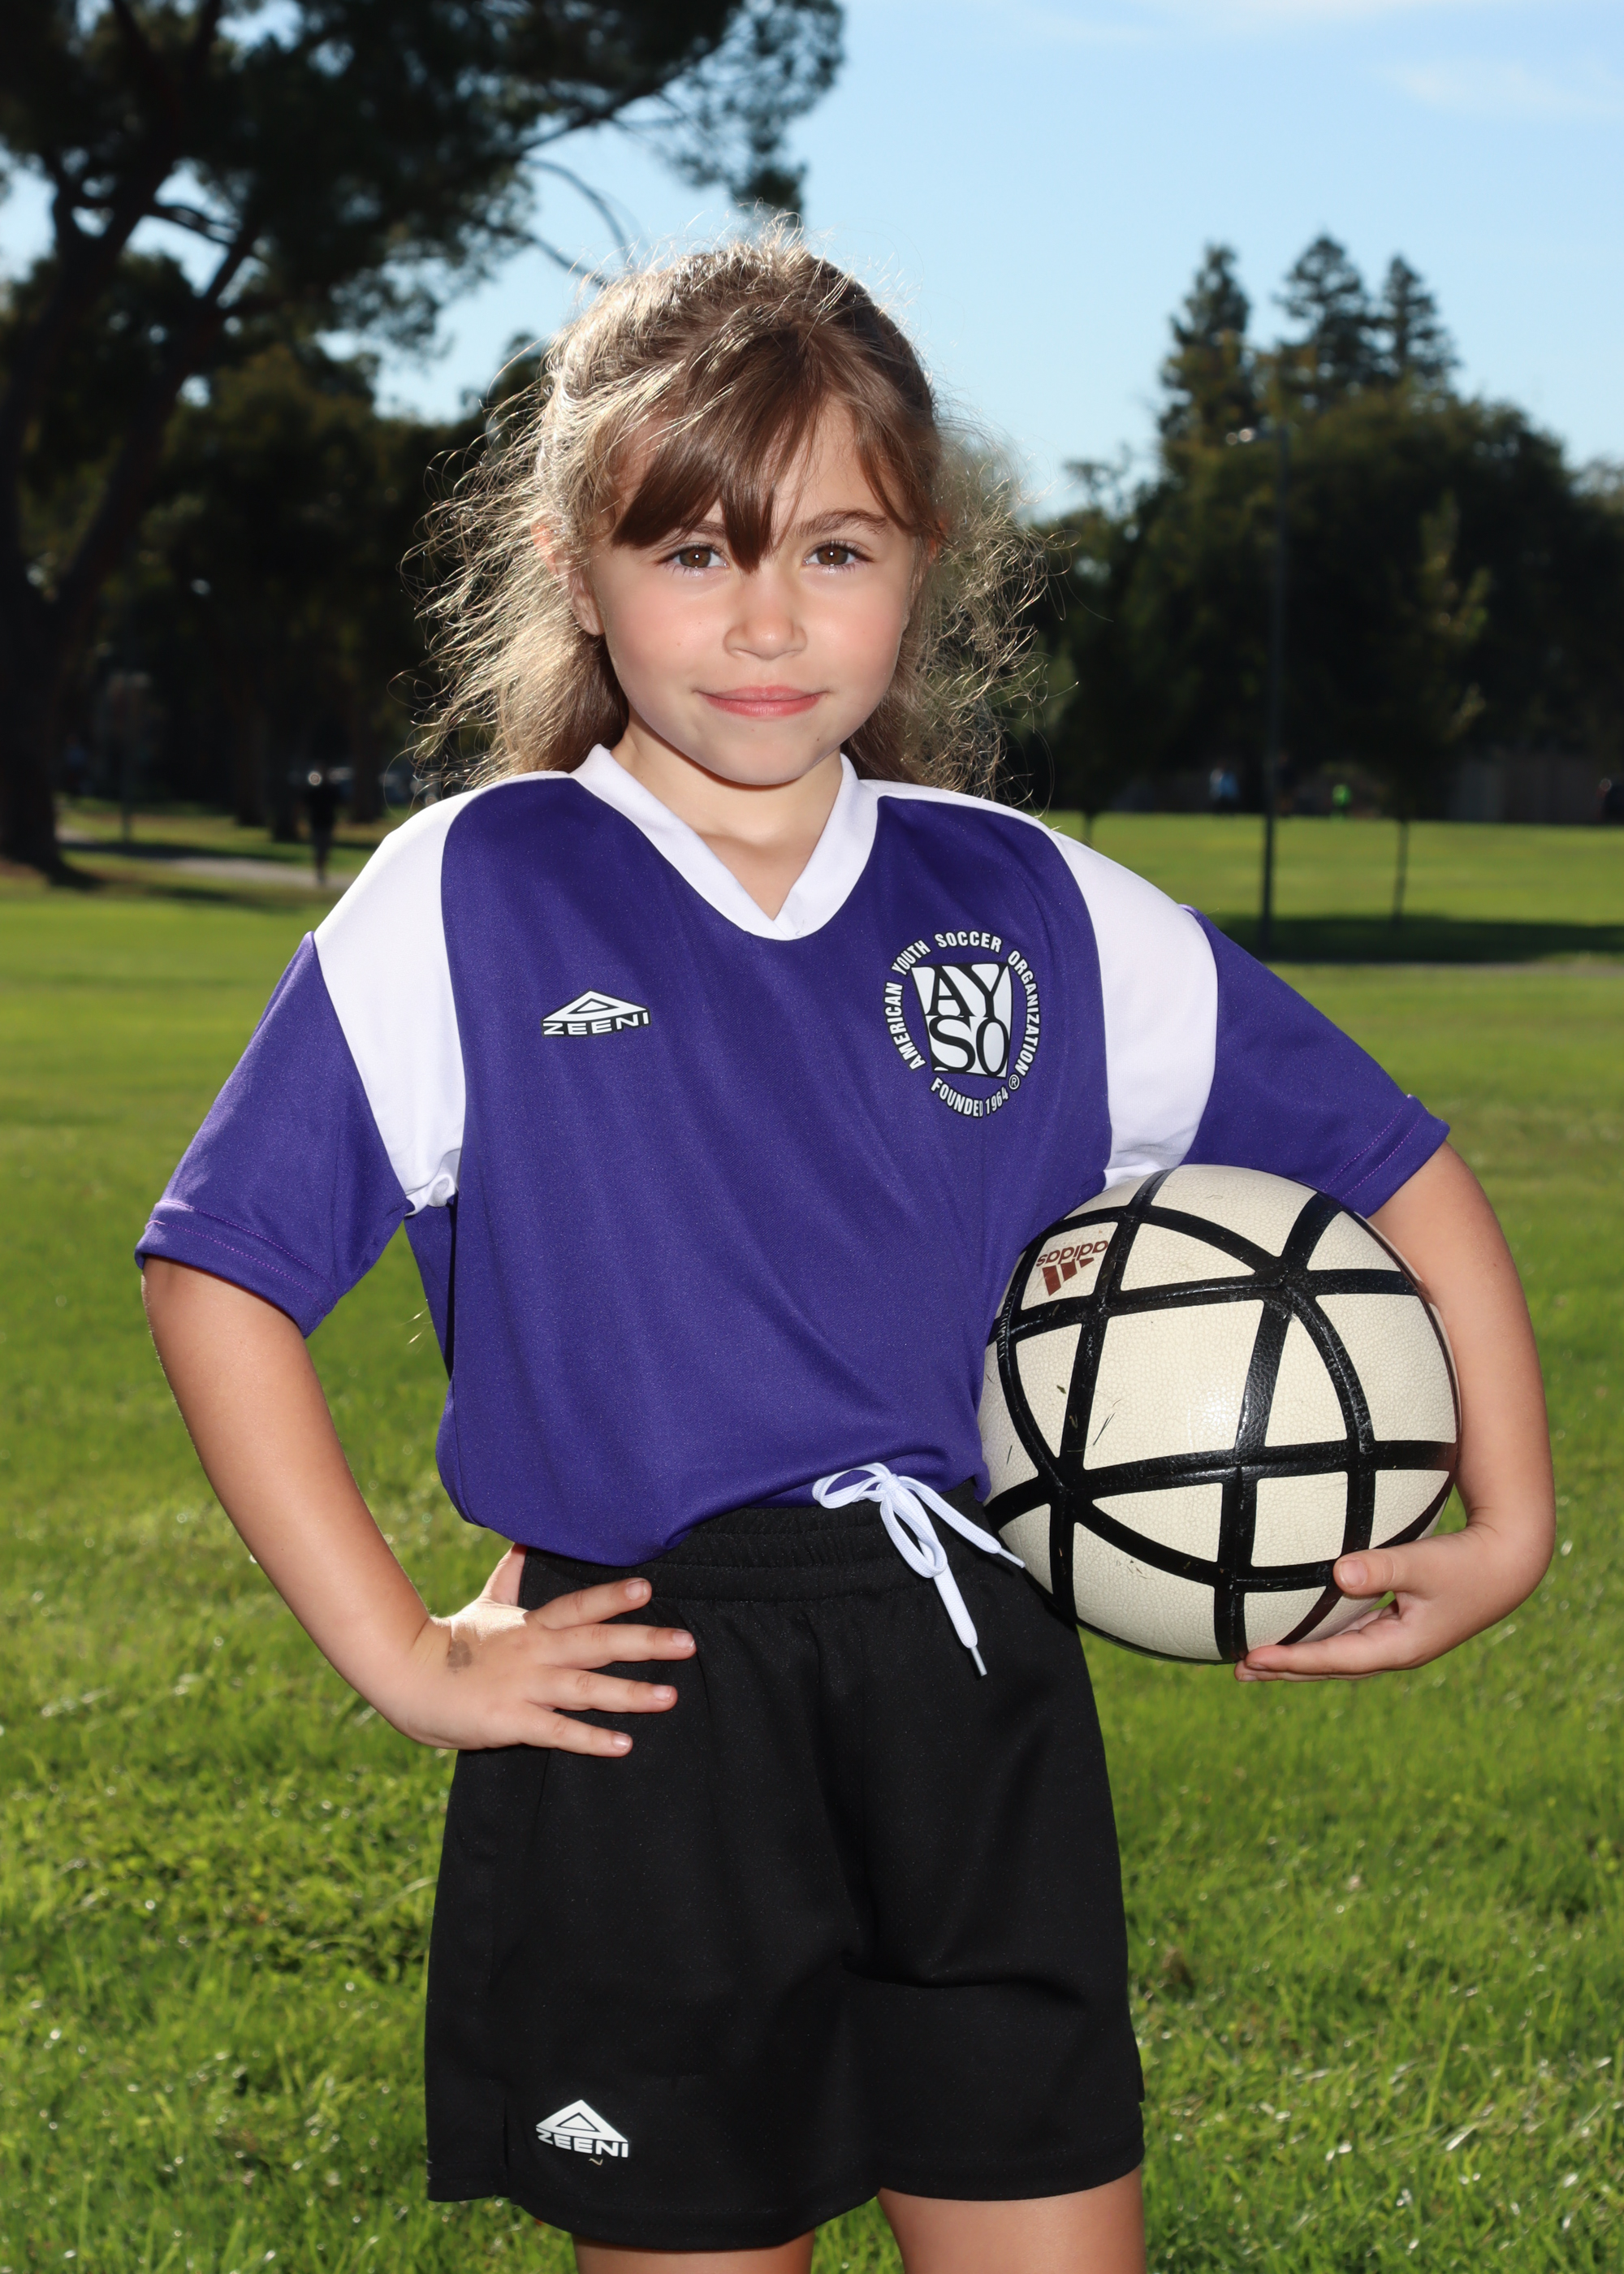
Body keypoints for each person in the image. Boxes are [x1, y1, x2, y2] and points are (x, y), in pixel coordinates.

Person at [137, 240, 1553, 2274]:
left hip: (975, 1676)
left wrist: (1507, 1512)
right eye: (691, 552)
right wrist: (399, 1649)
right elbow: (222, 1266)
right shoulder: (478, 891)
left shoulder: (1030, 904)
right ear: (572, 564)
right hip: (645, 1699)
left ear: (921, 560)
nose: (766, 620)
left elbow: (1383, 1154)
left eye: (834, 550)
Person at [303, 764, 343, 884]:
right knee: (318, 848)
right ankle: (319, 871)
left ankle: (321, 870)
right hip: (316, 823)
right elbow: (305, 805)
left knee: (324, 849)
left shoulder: (331, 790)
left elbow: (339, 805)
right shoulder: (314, 790)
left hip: (327, 823)